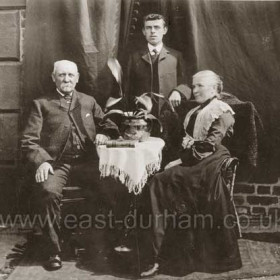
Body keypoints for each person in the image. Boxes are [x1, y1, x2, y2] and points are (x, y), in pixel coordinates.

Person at [140, 70, 242, 277]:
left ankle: (168, 254)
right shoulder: (197, 110)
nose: (194, 90)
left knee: (162, 181)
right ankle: (162, 252)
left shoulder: (222, 110)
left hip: (210, 159)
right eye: (193, 86)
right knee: (161, 181)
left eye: (199, 86)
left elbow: (209, 145)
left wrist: (179, 161)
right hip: (196, 157)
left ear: (214, 88)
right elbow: (189, 140)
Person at [21, 60, 119, 270]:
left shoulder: (88, 101)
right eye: (62, 75)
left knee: (111, 188)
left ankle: (100, 247)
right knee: (48, 192)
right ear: (53, 77)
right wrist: (42, 161)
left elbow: (108, 123)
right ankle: (52, 250)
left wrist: (105, 132)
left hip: (88, 162)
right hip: (57, 164)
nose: (67, 79)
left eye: (70, 75)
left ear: (77, 78)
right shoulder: (41, 103)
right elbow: (29, 140)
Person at [125, 13, 191, 116]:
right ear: (143, 31)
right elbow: (127, 89)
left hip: (168, 114)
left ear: (164, 30)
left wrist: (178, 91)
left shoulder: (176, 56)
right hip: (142, 115)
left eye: (157, 27)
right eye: (148, 28)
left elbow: (186, 83)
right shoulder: (134, 58)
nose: (152, 31)